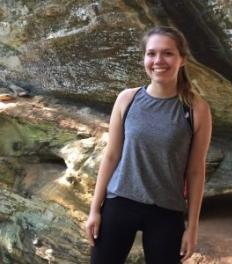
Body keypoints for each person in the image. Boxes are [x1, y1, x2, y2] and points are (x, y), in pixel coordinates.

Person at [86, 26, 212, 264]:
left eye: (168, 53)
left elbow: (196, 171)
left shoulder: (196, 109)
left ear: (182, 59)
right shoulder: (128, 99)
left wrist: (192, 226)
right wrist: (94, 210)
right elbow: (111, 156)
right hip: (120, 201)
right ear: (144, 58)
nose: (158, 60)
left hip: (166, 210)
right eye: (151, 53)